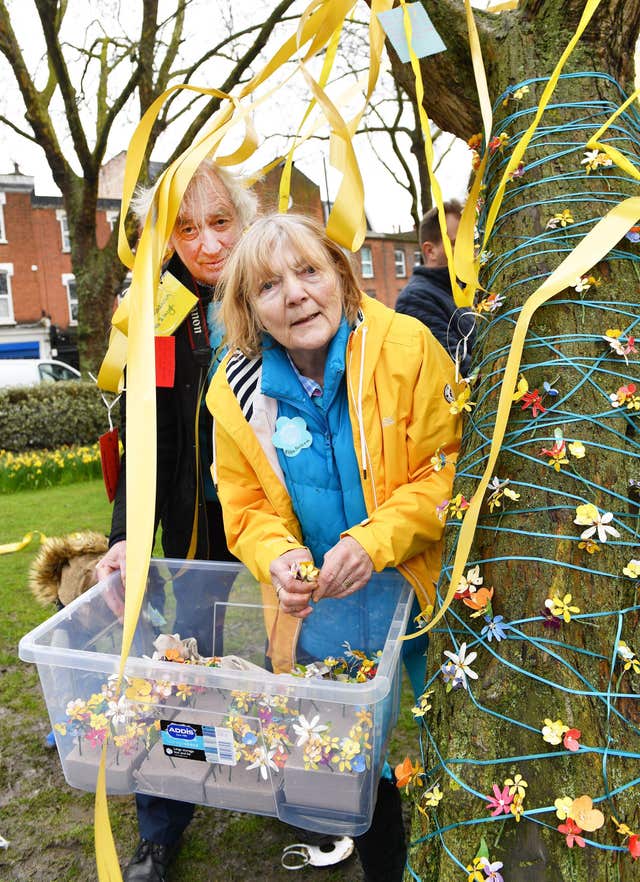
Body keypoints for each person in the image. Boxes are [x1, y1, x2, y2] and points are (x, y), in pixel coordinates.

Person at [207, 214, 461, 882]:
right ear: (248, 310)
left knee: (449, 741)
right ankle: (383, 865)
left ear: (343, 279)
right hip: (321, 614)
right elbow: (245, 506)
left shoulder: (405, 346)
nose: (293, 294)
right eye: (267, 286)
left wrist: (375, 542)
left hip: (426, 599)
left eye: (309, 271)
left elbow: (448, 470)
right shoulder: (237, 394)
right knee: (350, 757)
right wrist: (278, 557)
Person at [95, 159, 258, 882]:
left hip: (298, 519)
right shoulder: (160, 310)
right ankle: (166, 818)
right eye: (186, 228)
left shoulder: (283, 281)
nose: (207, 244)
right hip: (200, 521)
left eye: (221, 222)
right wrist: (126, 534)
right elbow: (148, 434)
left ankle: (326, 794)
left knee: (315, 654)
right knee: (180, 663)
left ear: (246, 220)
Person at [395, 199, 476, 376]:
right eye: (455, 243)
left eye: (467, 240)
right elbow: (456, 368)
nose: (467, 248)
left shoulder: (458, 290)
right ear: (430, 251)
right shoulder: (416, 300)